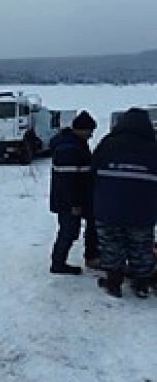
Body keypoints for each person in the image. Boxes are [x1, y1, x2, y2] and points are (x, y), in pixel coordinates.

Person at [91, 108, 157, 298]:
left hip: (108, 208)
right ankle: (142, 284)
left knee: (111, 245)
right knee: (142, 247)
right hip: (143, 211)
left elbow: (93, 170)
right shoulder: (153, 148)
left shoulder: (108, 144)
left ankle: (113, 283)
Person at [49, 110, 99, 275]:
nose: (91, 136)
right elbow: (67, 181)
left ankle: (83, 257)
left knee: (71, 230)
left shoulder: (76, 143)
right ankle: (58, 263)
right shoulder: (69, 149)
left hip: (74, 198)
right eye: (89, 131)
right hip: (69, 201)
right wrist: (75, 204)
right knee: (68, 231)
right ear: (80, 129)